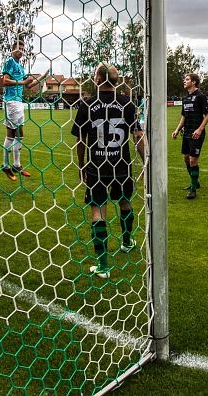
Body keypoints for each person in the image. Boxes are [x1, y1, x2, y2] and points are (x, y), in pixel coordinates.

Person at [72, 63, 145, 279]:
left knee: (98, 210)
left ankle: (103, 266)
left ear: (97, 79)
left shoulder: (86, 104)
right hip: (122, 165)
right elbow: (138, 135)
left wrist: (81, 164)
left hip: (97, 167)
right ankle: (126, 241)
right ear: (116, 81)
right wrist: (146, 160)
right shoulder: (127, 103)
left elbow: (80, 140)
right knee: (125, 202)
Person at [0, 40, 37, 179]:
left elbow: (28, 85)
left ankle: (16, 164)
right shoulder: (10, 61)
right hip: (11, 101)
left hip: (19, 102)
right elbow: (5, 81)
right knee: (11, 133)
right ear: (12, 49)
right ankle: (5, 164)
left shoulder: (21, 67)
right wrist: (23, 82)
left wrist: (41, 79)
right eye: (18, 48)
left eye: (22, 48)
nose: (21, 50)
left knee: (20, 134)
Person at [171, 73, 208, 199]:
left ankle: (193, 189)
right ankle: (195, 182)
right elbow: (184, 116)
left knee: (193, 160)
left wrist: (199, 129)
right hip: (186, 133)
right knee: (186, 158)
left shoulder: (200, 96)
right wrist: (177, 130)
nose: (184, 81)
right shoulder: (186, 98)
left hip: (196, 133)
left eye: (187, 79)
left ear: (193, 82)